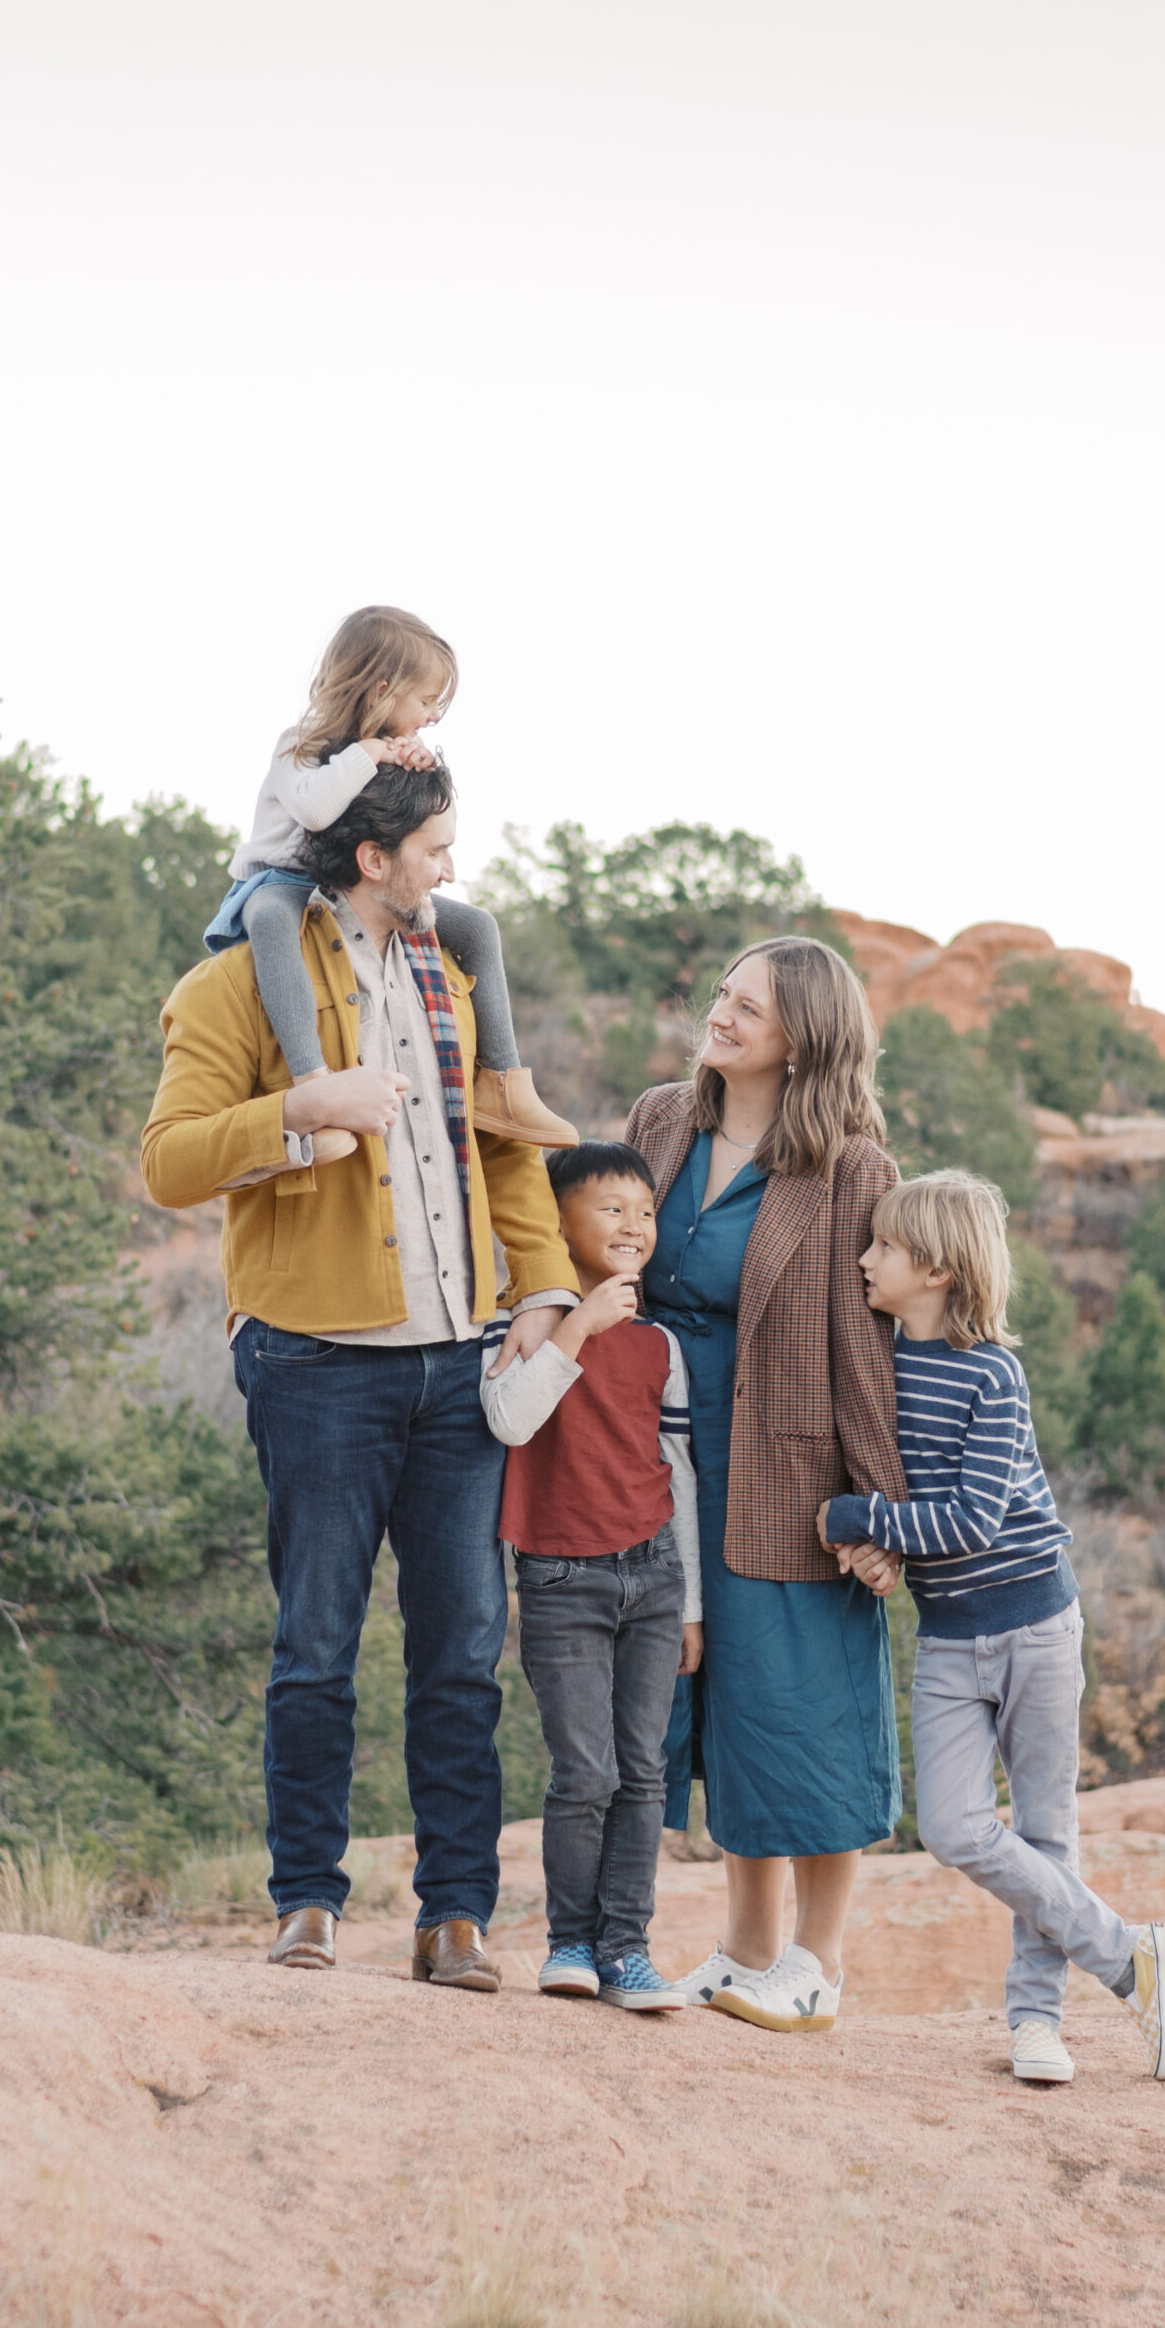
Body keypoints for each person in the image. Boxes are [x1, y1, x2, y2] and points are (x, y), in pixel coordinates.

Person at [141, 757, 581, 1989]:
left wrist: (543, 1288)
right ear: (371, 856)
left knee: (461, 1649)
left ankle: (455, 1915)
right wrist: (299, 1107)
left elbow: (501, 1155)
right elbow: (169, 1162)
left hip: (459, 1368)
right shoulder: (233, 985)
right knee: (315, 1643)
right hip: (315, 1366)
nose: (451, 866)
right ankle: (307, 1902)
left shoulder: (451, 974)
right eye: (435, 846)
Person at [818, 1169, 1165, 2084]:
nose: (865, 1259)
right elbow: (883, 1485)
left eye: (884, 1249)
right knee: (949, 1826)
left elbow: (969, 1522)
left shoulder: (993, 1375)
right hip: (946, 1635)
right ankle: (1125, 1953)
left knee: (1046, 1831)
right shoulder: (876, 1367)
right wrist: (867, 1534)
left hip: (1035, 1624)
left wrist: (857, 1523)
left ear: (936, 1269)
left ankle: (1037, 2024)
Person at [624, 935, 908, 2037]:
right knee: (720, 1703)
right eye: (722, 996)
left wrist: (879, 1514)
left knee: (805, 1706)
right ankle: (743, 1945)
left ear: (803, 1039)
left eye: (749, 1006)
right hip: (660, 1460)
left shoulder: (850, 1167)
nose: (722, 1015)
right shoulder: (661, 1119)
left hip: (790, 1472)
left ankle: (817, 1962)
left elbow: (865, 1350)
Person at [203, 602, 577, 1147]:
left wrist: (413, 765)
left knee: (477, 928)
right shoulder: (300, 744)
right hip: (279, 879)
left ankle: (504, 1084)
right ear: (380, 691)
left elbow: (401, 818)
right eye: (425, 701)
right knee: (271, 925)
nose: (431, 717)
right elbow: (314, 812)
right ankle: (313, 1082)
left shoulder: (385, 748)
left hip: (349, 888)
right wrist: (371, 753)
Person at [479, 1141, 704, 2014]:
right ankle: (570, 1942)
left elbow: (675, 1472)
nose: (632, 1225)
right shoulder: (522, 1328)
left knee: (643, 1772)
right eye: (609, 1208)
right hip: (560, 1577)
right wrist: (574, 1326)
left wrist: (688, 1602)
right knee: (583, 1772)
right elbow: (508, 1421)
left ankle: (628, 1949)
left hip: (649, 1576)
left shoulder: (659, 1345)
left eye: (643, 1211)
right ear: (555, 1222)